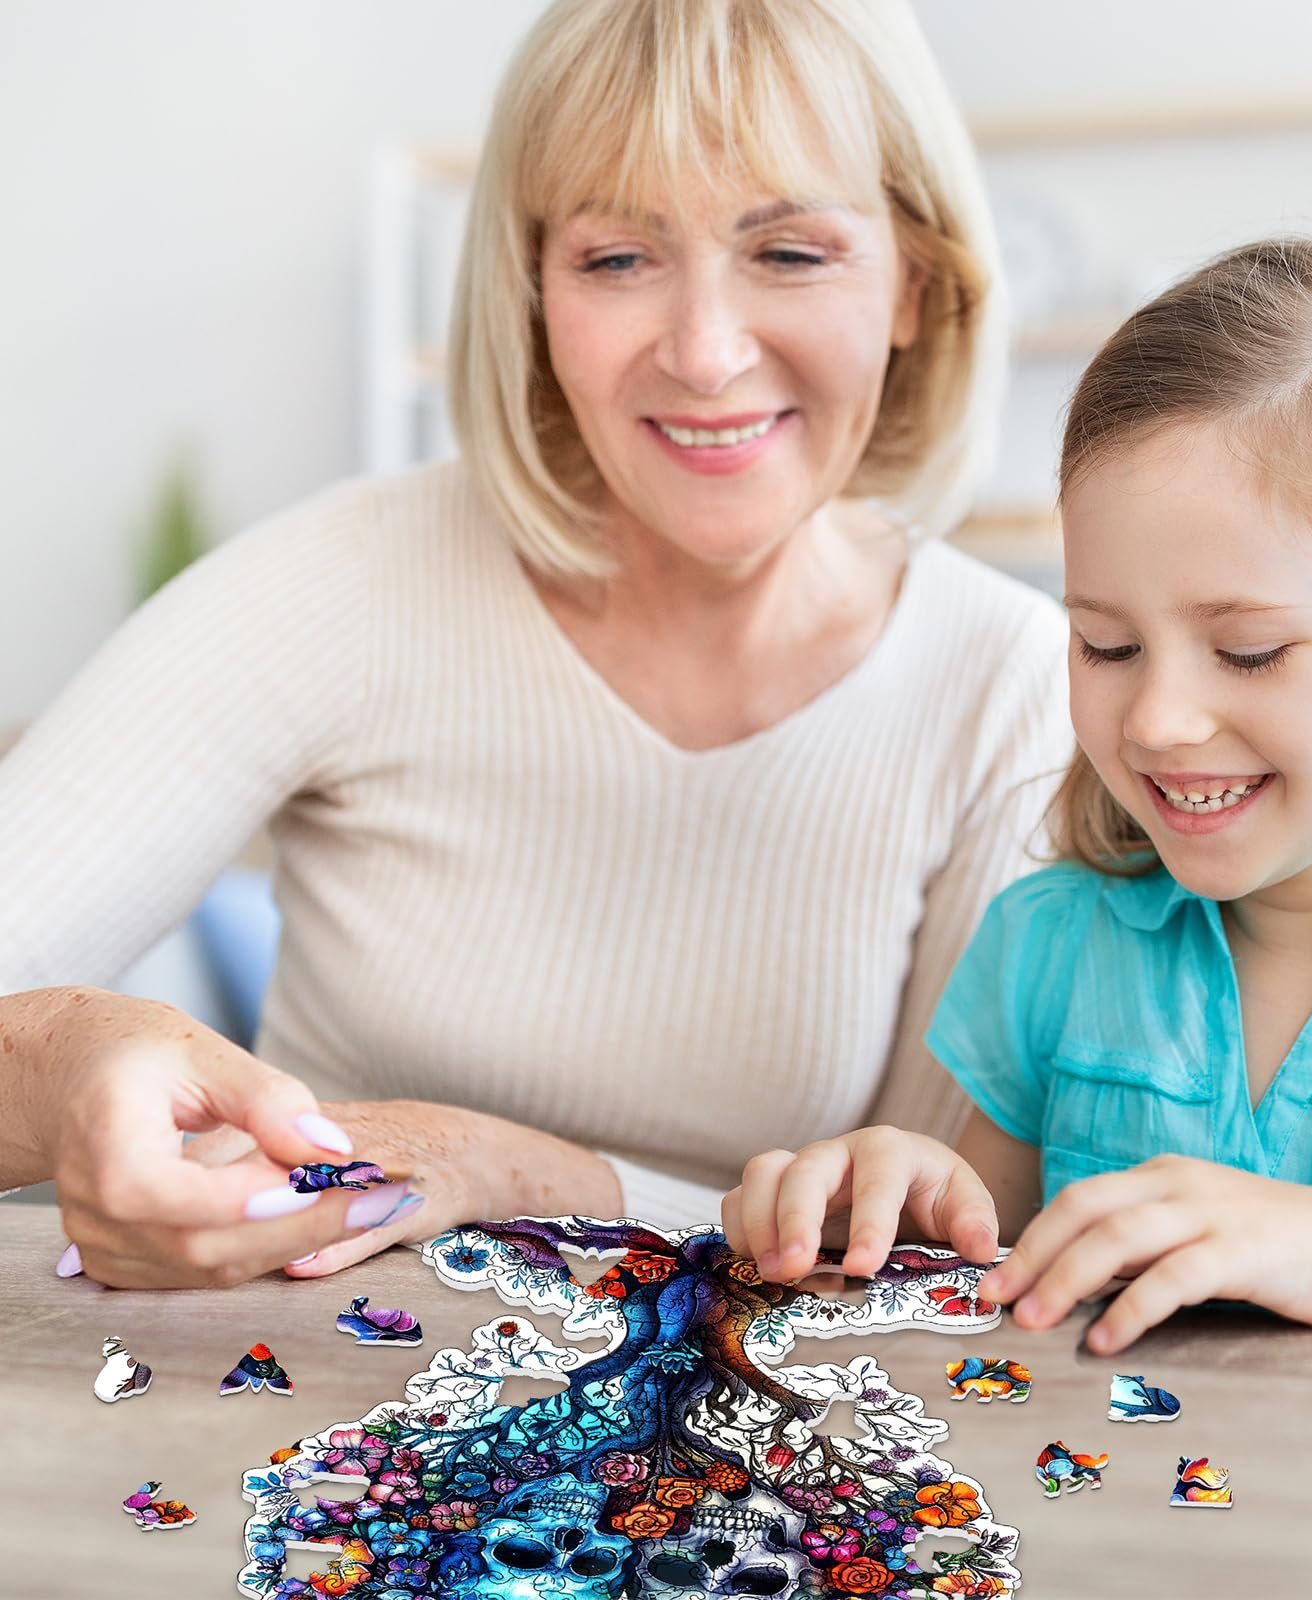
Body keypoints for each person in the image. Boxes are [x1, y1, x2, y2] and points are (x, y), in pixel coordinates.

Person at [0, 0, 1072, 1286]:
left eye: (789, 252)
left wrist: (505, 1170)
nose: (707, 352)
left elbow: (913, 1260)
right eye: (618, 258)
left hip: (738, 1462)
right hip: (279, 1424)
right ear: (531, 295)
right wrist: (62, 1055)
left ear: (915, 282)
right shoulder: (341, 583)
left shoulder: (1010, 686)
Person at [722, 237, 1312, 1355]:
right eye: (1107, 643)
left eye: (1245, 651)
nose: (1153, 721)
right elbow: (971, 1265)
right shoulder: (1050, 947)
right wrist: (884, 1199)